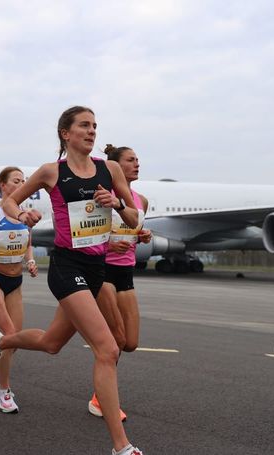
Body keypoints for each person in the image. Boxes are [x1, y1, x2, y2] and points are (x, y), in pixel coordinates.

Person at [0, 106, 143, 455]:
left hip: (98, 269)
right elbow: (9, 201)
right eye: (84, 125)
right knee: (108, 349)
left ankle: (2, 342)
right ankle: (121, 446)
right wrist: (22, 213)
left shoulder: (109, 169)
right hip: (67, 267)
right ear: (65, 133)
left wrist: (115, 203)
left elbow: (133, 220)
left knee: (52, 343)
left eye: (95, 126)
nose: (91, 131)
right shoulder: (52, 172)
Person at [88, 145, 153, 419]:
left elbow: (133, 230)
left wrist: (143, 236)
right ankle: (101, 400)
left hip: (126, 273)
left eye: (138, 160)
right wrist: (105, 247)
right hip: (103, 271)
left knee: (131, 342)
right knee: (114, 340)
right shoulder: (102, 195)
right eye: (130, 160)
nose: (136, 164)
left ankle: (101, 394)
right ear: (115, 166)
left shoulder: (141, 200)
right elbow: (86, 235)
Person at [0, 166, 37, 413]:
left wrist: (30, 260)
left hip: (16, 280)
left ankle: (2, 391)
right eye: (16, 181)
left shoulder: (23, 214)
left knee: (14, 341)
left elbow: (28, 241)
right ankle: (5, 391)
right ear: (2, 184)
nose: (21, 184)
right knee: (9, 332)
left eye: (24, 181)